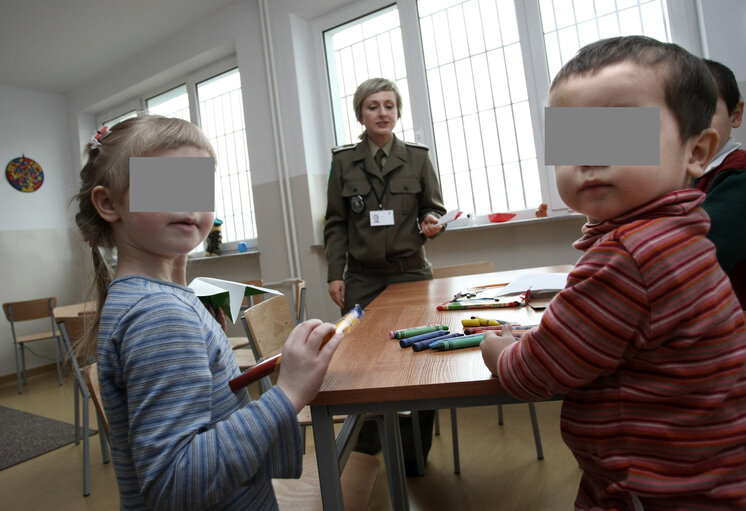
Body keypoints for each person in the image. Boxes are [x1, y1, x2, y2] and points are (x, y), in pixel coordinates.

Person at [481, 36, 746, 510]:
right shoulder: (679, 233)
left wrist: (497, 348)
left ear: (697, 152)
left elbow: (536, 373)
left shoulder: (629, 256)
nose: (590, 156)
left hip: (655, 488)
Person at [73, 115, 343, 510]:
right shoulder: (159, 314)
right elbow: (174, 483)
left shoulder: (159, 300)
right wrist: (288, 394)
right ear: (109, 203)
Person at [323, 77, 446, 474]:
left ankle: (413, 458)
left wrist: (431, 220)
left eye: (389, 106)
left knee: (422, 362)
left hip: (411, 273)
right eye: (373, 106)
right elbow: (336, 224)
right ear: (361, 113)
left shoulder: (417, 156)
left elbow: (435, 208)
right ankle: (368, 450)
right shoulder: (343, 161)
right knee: (362, 365)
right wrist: (334, 274)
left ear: (398, 112)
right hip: (362, 278)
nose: (382, 113)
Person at [695, 59, 746, 308]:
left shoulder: (739, 174)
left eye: (704, 110)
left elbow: (696, 260)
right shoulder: (680, 176)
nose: (689, 124)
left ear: (735, 115)